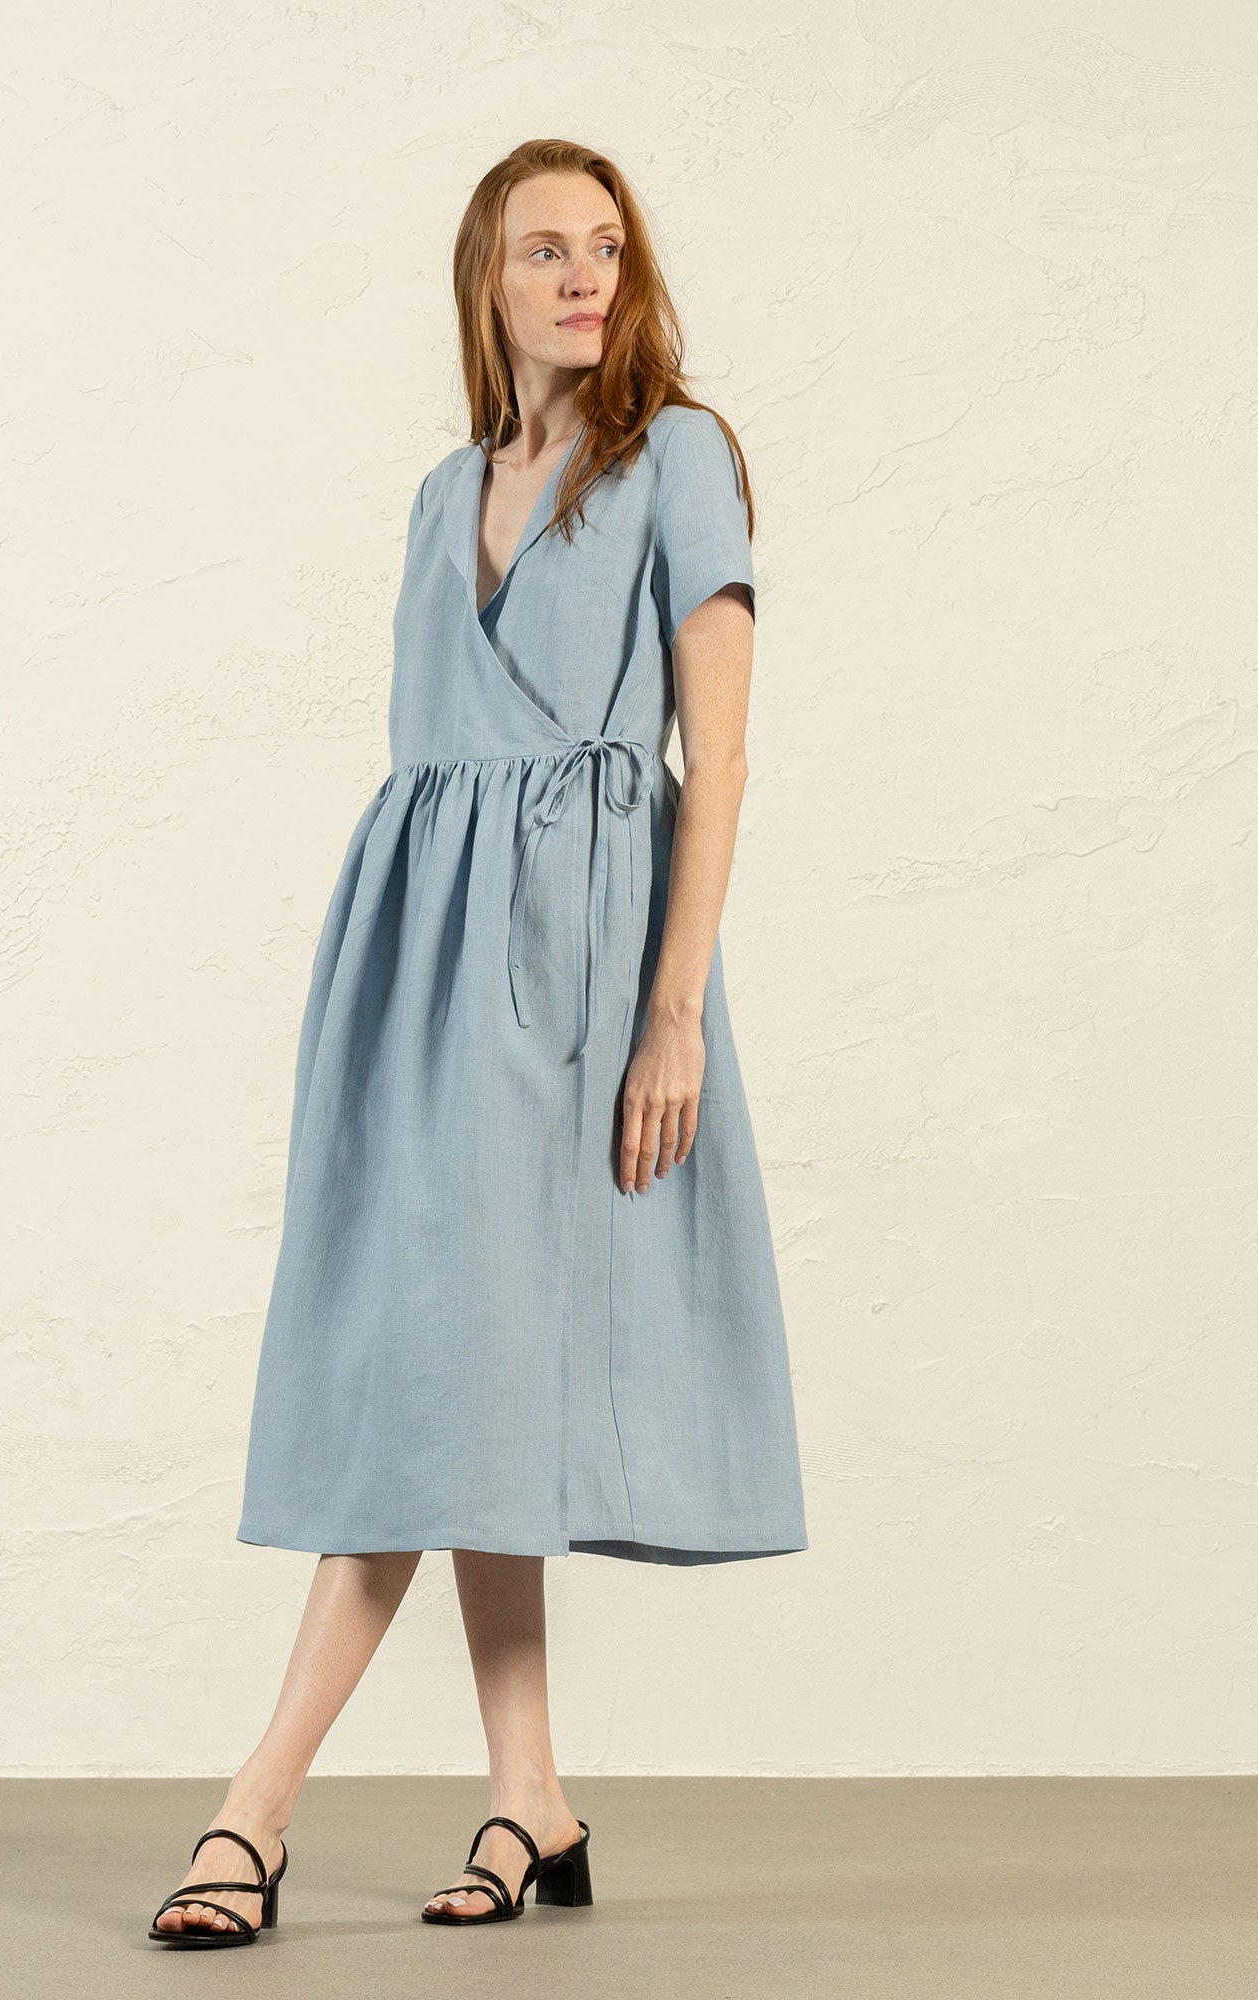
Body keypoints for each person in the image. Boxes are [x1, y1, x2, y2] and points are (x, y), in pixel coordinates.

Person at [150, 137, 807, 1949]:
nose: (585, 275)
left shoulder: (681, 456)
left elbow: (720, 755)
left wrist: (672, 1010)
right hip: (418, 969)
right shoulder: (445, 493)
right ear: (488, 281)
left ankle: (251, 1810)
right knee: (463, 1383)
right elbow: (429, 759)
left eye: (608, 246)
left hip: (581, 973)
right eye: (545, 250)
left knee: (433, 1387)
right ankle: (533, 1800)